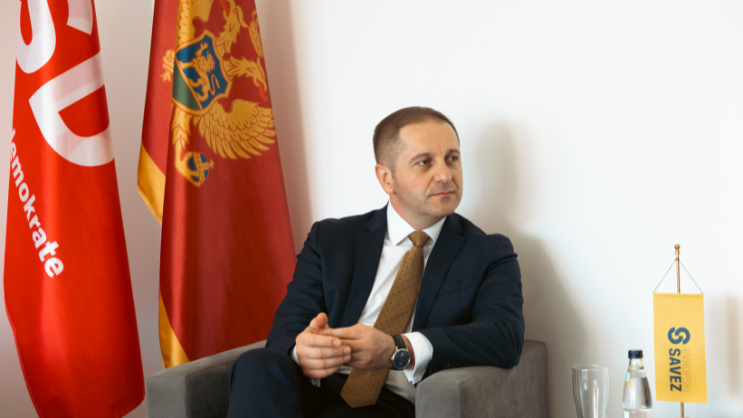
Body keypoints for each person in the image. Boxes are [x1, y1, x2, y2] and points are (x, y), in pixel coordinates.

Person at [226, 106, 524, 418]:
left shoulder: (489, 251)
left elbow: (504, 336)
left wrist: (397, 348)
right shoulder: (330, 239)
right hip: (310, 388)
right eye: (425, 162)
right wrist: (304, 351)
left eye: (452, 158)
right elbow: (284, 332)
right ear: (386, 178)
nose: (445, 175)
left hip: (388, 403)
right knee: (255, 365)